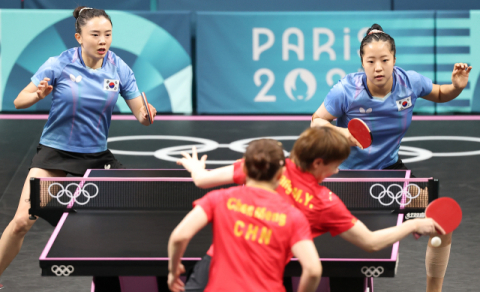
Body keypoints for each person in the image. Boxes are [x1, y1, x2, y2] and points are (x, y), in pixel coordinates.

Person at [176, 127, 442, 291]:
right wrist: (413, 224)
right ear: (317, 163)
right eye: (335, 164)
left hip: (212, 268)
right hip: (261, 279)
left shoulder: (267, 163)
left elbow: (202, 180)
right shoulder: (324, 202)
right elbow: (371, 243)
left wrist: (196, 167)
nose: (337, 170)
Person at [0, 6, 157, 280]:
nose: (102, 41)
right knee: (22, 221)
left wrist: (146, 114)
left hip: (97, 158)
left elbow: (140, 116)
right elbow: (18, 101)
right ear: (78, 37)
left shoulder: (118, 67)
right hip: (55, 154)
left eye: (107, 34)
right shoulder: (58, 63)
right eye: (94, 35)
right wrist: (38, 94)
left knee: (137, 216)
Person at [310, 23, 470, 292]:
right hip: (346, 178)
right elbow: (316, 122)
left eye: (385, 60)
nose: (378, 68)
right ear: (362, 62)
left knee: (441, 222)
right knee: (345, 264)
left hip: (392, 175)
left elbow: (441, 93)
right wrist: (343, 134)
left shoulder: (410, 83)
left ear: (395, 59)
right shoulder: (345, 91)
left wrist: (456, 87)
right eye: (371, 61)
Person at [168, 139, 322, 292]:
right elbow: (313, 270)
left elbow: (179, 237)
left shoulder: (218, 199)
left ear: (244, 169)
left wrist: (173, 270)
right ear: (280, 174)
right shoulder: (294, 216)